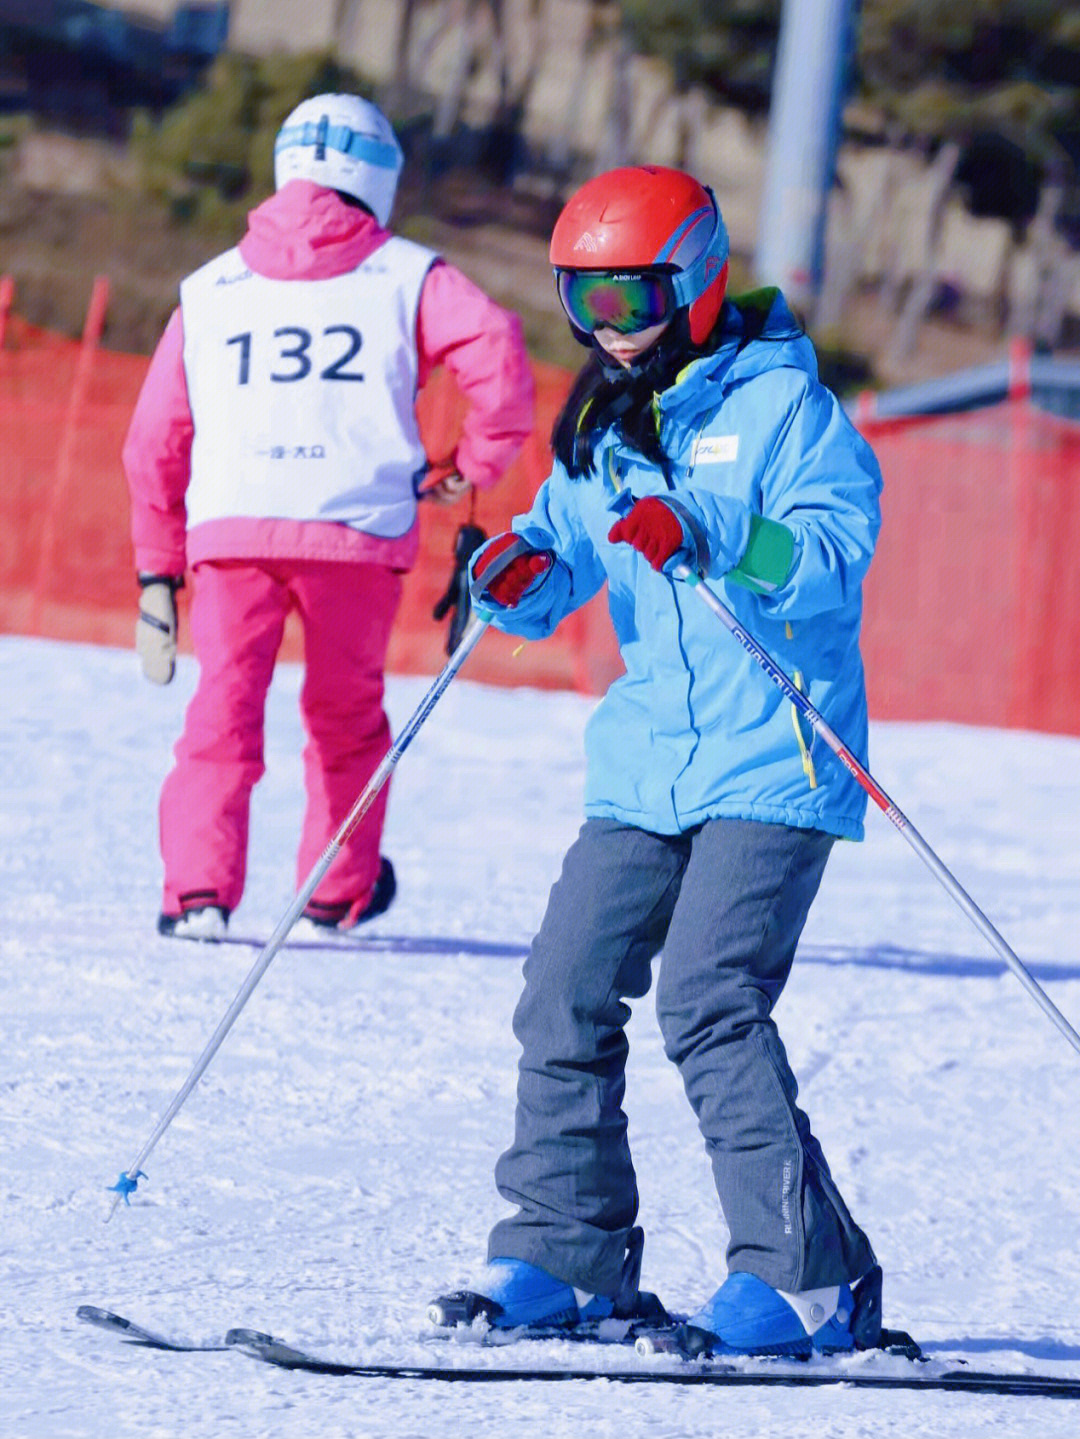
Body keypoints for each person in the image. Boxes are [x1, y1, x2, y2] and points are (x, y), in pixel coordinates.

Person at [428, 165, 884, 1356]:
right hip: (647, 764)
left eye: (628, 295)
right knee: (564, 986)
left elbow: (835, 552)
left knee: (710, 999)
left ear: (695, 282)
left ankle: (807, 1280)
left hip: (776, 752)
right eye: (582, 299)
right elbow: (557, 550)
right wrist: (512, 578)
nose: (606, 325)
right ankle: (565, 1251)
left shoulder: (790, 411)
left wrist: (719, 530)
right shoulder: (602, 426)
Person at [124, 93, 535, 941]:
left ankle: (198, 892)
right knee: (346, 717)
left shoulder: (209, 290)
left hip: (232, 530)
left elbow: (153, 441)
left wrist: (155, 568)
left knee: (221, 713)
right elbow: (495, 352)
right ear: (380, 179)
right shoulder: (409, 274)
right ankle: (333, 889)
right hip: (357, 530)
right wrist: (471, 463)